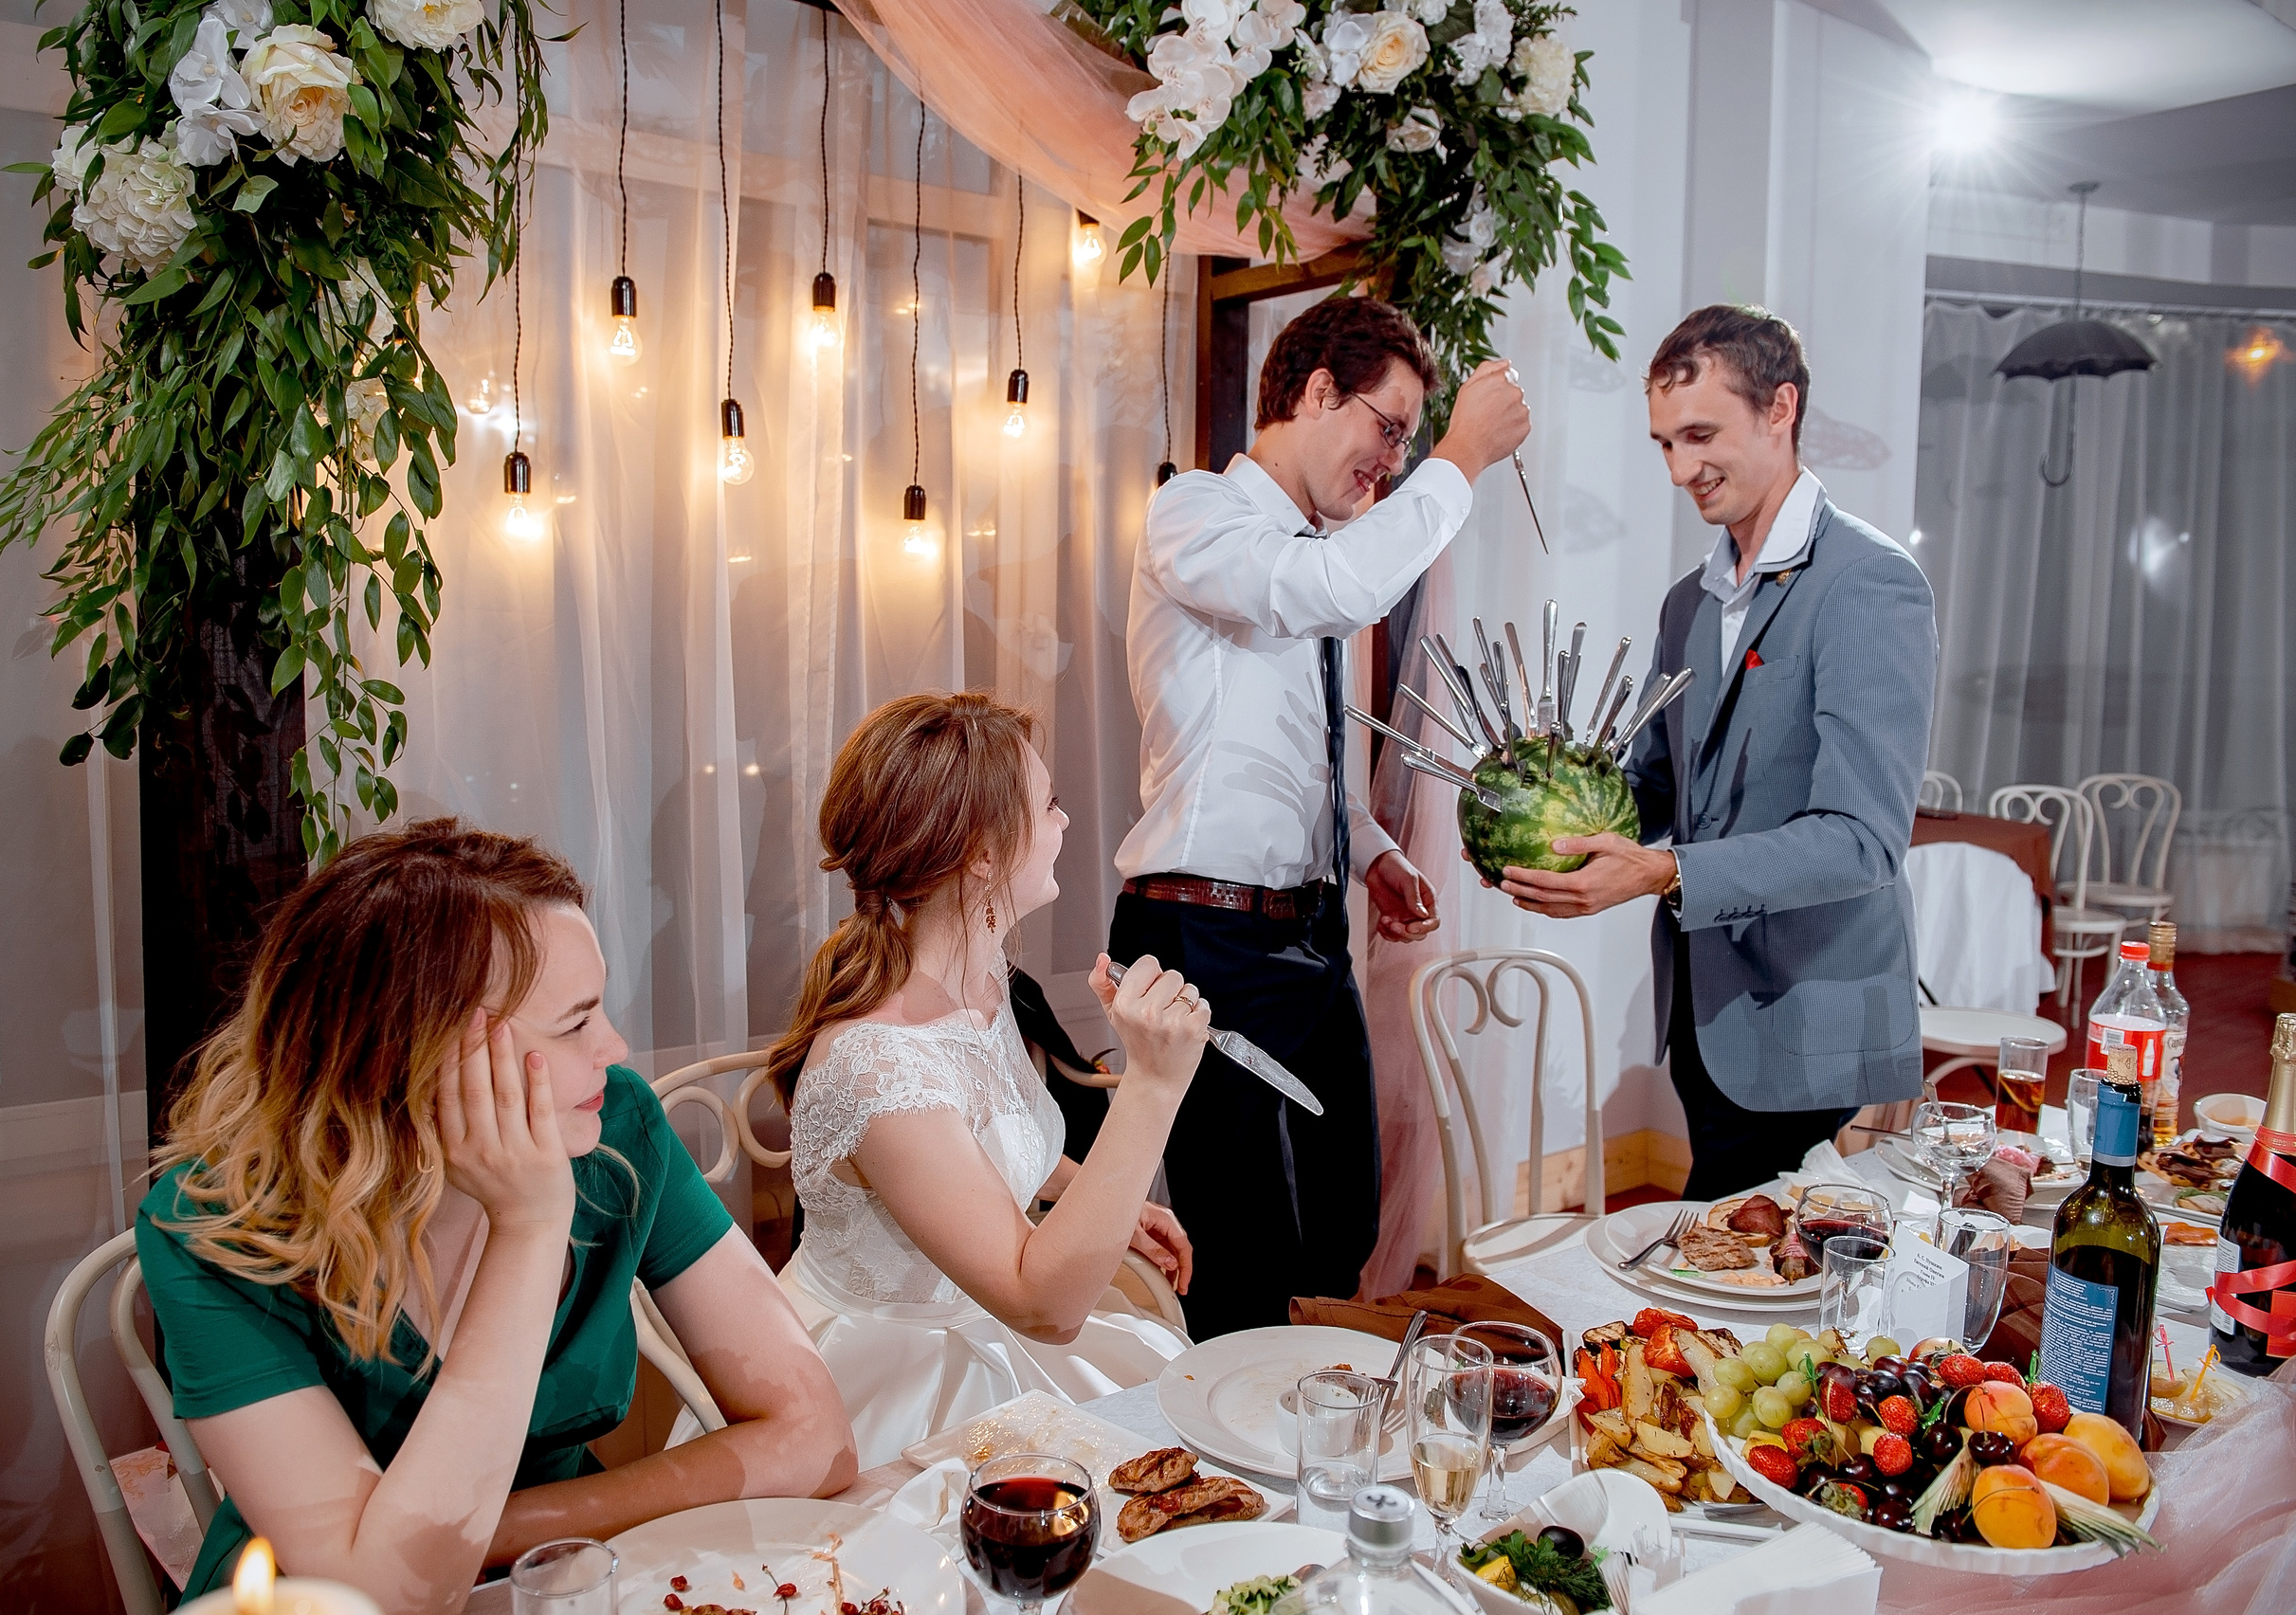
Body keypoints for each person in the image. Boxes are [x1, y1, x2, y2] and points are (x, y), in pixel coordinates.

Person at [137, 821, 854, 1609]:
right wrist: (530, 1227)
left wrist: (509, 1530)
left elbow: (817, 1439)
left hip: (564, 1578)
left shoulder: (618, 1129)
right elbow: (384, 1596)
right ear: (419, 1053)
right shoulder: (211, 1230)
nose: (614, 1047)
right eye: (575, 1023)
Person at [1108, 296, 1533, 1335]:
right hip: (1199, 935)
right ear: (1311, 392)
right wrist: (1461, 460)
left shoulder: (1302, 559)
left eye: (1409, 441)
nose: (1390, 461)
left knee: (1345, 1226)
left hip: (1303, 934)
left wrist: (1373, 848)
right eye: (1388, 427)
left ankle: (1310, 1437)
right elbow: (1336, 590)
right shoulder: (1194, 512)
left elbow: (1297, 746)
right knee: (1245, 1253)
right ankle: (1231, 1472)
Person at [1499, 304, 1937, 1199]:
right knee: (1723, 1269)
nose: (1679, 469)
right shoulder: (1687, 605)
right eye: (1663, 443)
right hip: (1703, 1007)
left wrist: (1663, 874)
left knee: (1735, 1270)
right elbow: (1660, 784)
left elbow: (1862, 839)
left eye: (1700, 435)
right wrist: (1541, 820)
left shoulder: (1869, 582)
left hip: (1804, 1009)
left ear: (1781, 408)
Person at [771, 692, 1211, 1465]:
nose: (1065, 822)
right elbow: (1046, 1308)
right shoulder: (876, 1064)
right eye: (1048, 806)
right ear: (979, 853)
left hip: (985, 1328)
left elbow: (981, 1149)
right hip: (882, 1389)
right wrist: (1155, 1083)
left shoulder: (981, 981)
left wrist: (1091, 1194)